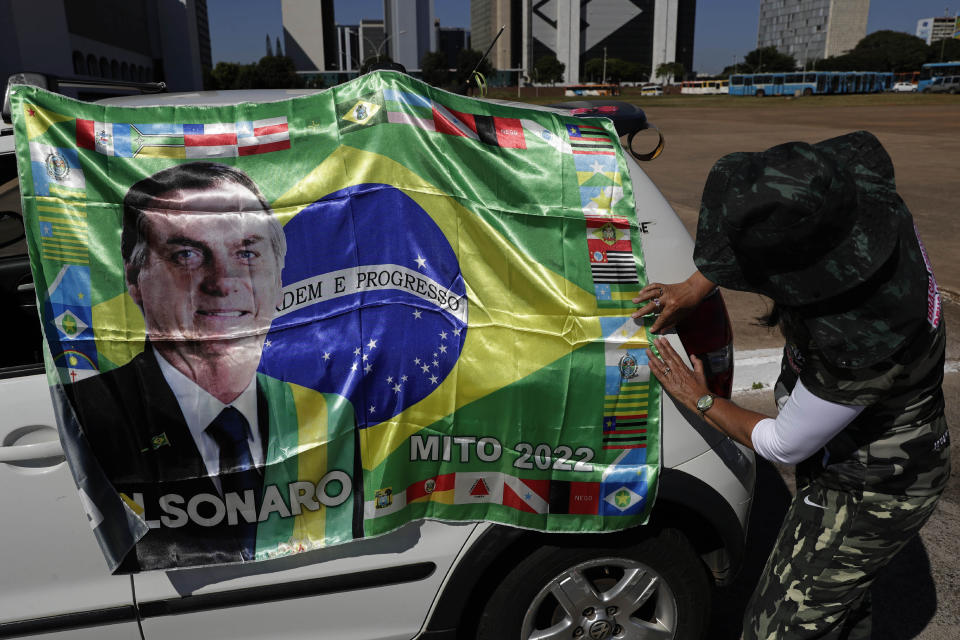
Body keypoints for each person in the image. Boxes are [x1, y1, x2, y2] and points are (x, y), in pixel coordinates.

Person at [633, 131, 950, 639]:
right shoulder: (861, 211)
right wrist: (696, 286)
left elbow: (784, 442)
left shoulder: (863, 334)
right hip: (851, 451)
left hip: (872, 486)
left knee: (779, 629)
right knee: (838, 607)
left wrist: (699, 397)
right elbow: (780, 230)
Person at [68, 162, 353, 570]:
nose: (222, 282)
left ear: (280, 275)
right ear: (134, 278)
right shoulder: (91, 415)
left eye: (247, 252)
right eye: (186, 255)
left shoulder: (329, 413)